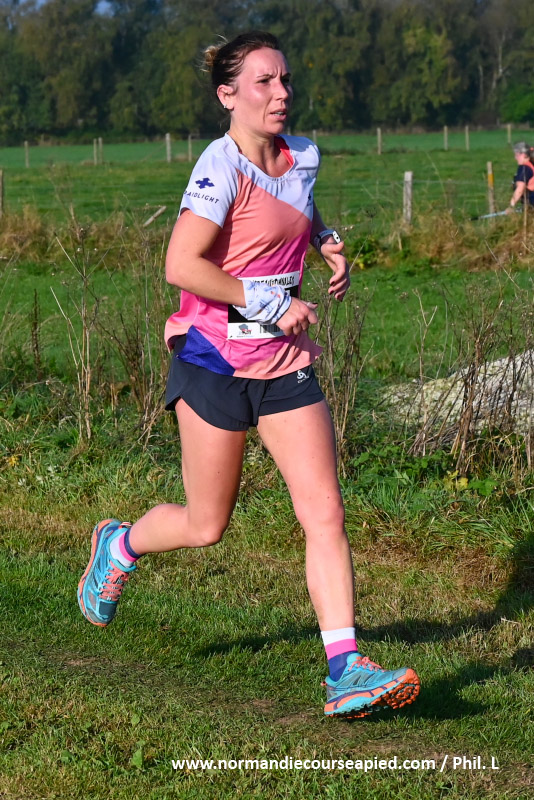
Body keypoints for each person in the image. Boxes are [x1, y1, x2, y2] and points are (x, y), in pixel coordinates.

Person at [77, 31, 420, 719]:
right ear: (228, 95)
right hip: (213, 360)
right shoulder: (219, 166)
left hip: (285, 363)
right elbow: (181, 266)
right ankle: (120, 543)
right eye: (264, 81)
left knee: (324, 511)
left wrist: (324, 241)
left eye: (285, 79)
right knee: (206, 524)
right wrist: (268, 301)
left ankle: (345, 669)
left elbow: (296, 207)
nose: (282, 92)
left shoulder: (305, 156)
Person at [506, 141, 534, 212]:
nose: (515, 158)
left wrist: (511, 206)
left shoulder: (525, 168)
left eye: (517, 155)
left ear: (523, 155)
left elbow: (520, 188)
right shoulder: (532, 164)